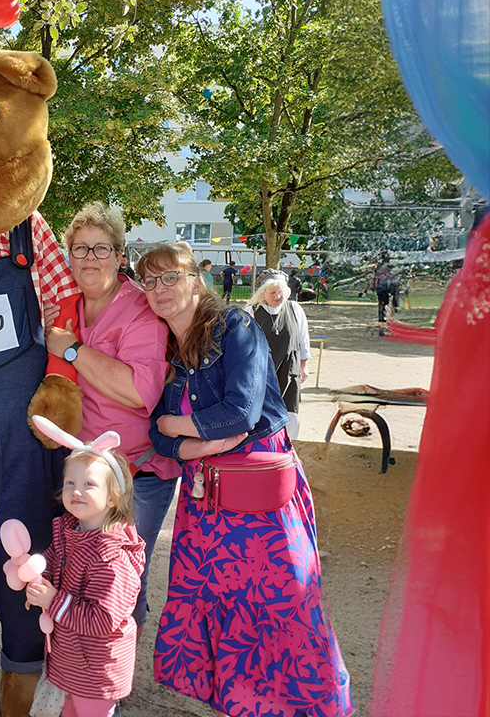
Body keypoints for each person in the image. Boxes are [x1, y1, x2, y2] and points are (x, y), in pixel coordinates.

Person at [137, 241, 351, 717]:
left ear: (196, 280)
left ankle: (310, 705)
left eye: (170, 276)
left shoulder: (234, 326)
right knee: (220, 603)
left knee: (283, 601)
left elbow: (240, 413)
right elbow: (158, 432)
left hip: (256, 489)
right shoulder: (165, 345)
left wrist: (183, 429)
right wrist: (196, 443)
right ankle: (240, 703)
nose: (159, 289)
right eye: (149, 280)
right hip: (206, 495)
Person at [43, 202, 173, 635]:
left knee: (119, 583)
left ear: (121, 256)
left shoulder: (139, 310)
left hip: (133, 473)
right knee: (78, 577)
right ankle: (74, 670)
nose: (90, 259)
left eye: (102, 249)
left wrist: (73, 350)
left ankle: (108, 687)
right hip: (82, 470)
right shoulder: (68, 306)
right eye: (80, 249)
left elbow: (141, 390)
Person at [24, 420, 145, 717]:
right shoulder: (70, 529)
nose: (76, 491)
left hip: (95, 671)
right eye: (70, 484)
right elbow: (55, 559)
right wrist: (42, 578)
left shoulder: (112, 559)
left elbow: (103, 619)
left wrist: (52, 601)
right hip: (71, 660)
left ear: (113, 495)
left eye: (88, 484)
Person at [244, 270, 311, 439]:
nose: (277, 296)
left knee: (290, 412)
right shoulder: (250, 312)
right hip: (260, 372)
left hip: (289, 369)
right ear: (262, 293)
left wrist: (304, 365)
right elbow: (241, 345)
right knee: (259, 412)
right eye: (272, 292)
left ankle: (290, 449)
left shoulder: (295, 309)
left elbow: (303, 339)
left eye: (280, 292)